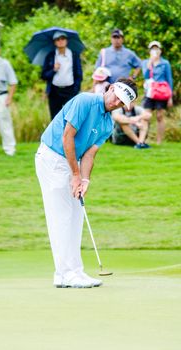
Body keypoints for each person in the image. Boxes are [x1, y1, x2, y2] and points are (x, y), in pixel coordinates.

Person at [35, 78, 139, 288]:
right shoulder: (85, 101)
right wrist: (75, 174)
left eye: (121, 103)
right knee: (62, 217)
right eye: (116, 97)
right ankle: (64, 273)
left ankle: (75, 271)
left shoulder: (108, 123)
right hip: (53, 158)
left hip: (71, 162)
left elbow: (90, 154)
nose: (116, 103)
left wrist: (84, 180)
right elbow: (67, 137)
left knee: (76, 215)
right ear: (110, 88)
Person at [41, 31, 83, 120]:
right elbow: (44, 75)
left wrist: (76, 90)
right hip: (54, 91)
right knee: (55, 118)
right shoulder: (51, 56)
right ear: (54, 42)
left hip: (70, 90)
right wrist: (53, 70)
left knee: (71, 117)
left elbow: (79, 74)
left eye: (63, 38)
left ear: (66, 41)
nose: (60, 41)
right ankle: (57, 134)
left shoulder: (74, 55)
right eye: (57, 39)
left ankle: (70, 134)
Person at [142, 41, 173, 144]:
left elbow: (169, 79)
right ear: (149, 51)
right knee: (146, 115)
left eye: (157, 49)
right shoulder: (146, 62)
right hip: (150, 92)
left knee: (160, 116)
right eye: (152, 49)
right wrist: (150, 63)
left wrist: (170, 97)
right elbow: (145, 76)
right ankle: (143, 139)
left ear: (160, 50)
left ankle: (159, 140)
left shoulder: (165, 63)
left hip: (161, 93)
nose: (155, 51)